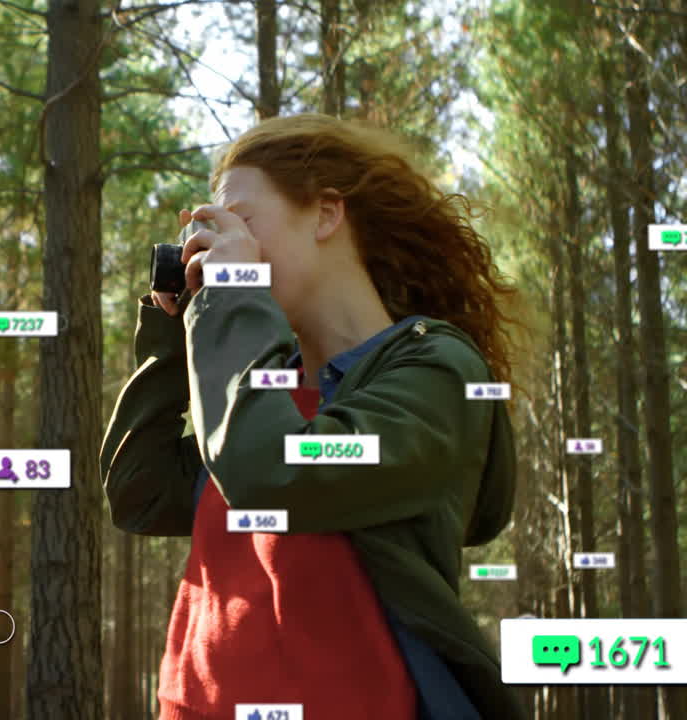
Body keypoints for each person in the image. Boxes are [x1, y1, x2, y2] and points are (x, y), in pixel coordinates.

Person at [100, 113, 525, 720]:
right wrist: (174, 336)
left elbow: (275, 469)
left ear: (327, 213)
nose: (219, 247)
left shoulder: (434, 372)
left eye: (242, 222)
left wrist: (231, 298)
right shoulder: (266, 385)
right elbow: (139, 493)